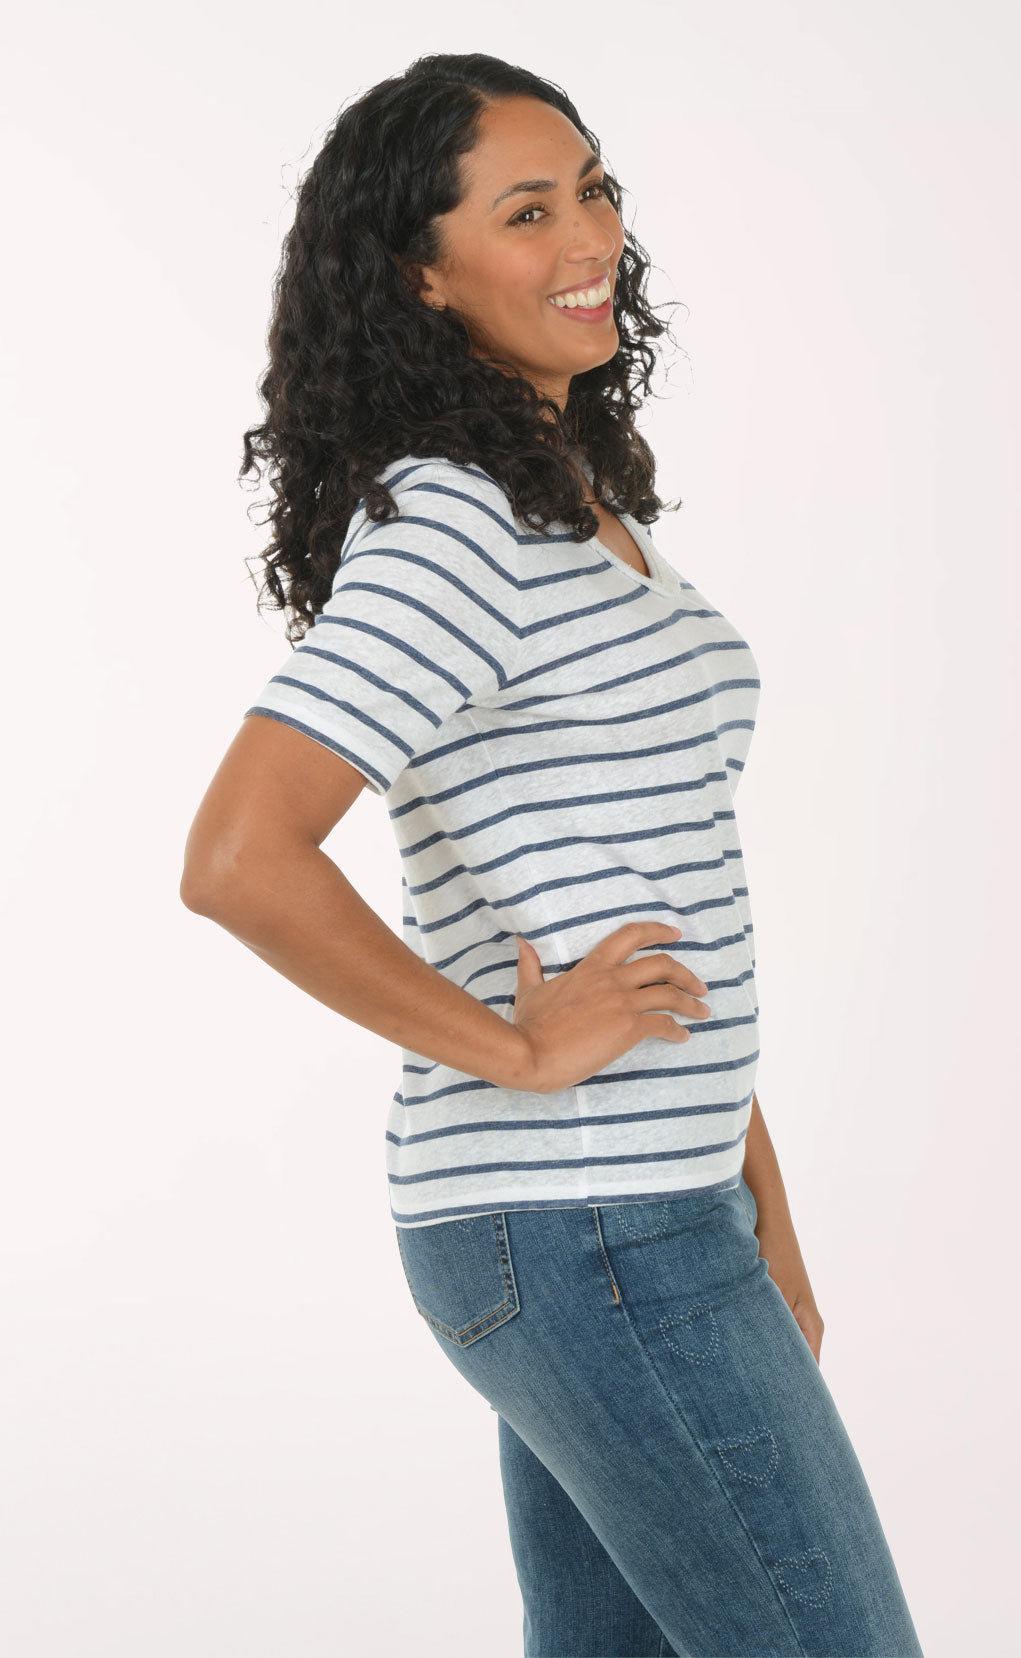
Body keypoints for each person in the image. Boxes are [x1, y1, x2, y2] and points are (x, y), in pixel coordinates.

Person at [180, 51, 925, 1658]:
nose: (587, 232)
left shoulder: (572, 506)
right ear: (421, 277)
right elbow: (242, 851)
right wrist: (513, 1045)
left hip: (642, 1210)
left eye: (592, 187)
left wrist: (756, 1201)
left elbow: (662, 899)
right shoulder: (452, 525)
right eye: (528, 208)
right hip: (581, 1220)